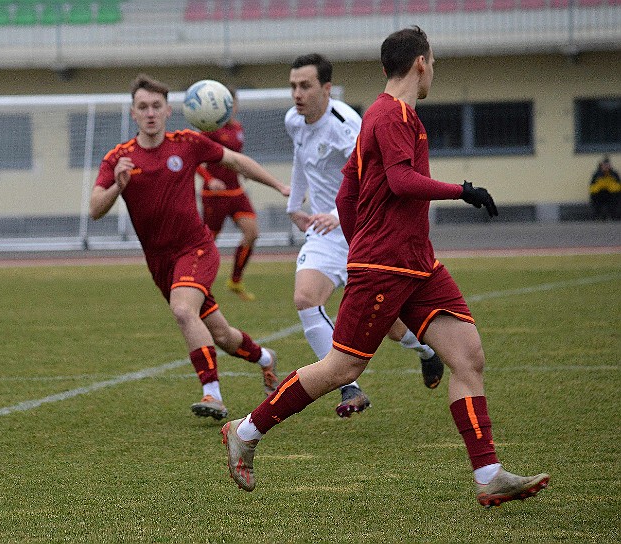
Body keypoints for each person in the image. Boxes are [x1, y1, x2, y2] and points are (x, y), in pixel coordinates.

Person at [221, 28, 550, 508]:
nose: (432, 71)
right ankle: (245, 433)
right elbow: (400, 180)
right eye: (432, 63)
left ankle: (488, 473)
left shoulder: (378, 115)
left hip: (416, 263)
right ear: (421, 63)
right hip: (387, 265)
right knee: (342, 367)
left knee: (467, 356)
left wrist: (361, 245)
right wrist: (462, 192)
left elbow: (345, 195)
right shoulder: (392, 114)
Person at [90, 74, 291, 421]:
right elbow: (95, 209)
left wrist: (278, 186)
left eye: (156, 106)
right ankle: (265, 359)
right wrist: (117, 187)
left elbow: (236, 161)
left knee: (183, 310)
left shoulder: (187, 143)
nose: (150, 112)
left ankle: (212, 394)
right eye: (143, 107)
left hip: (196, 249)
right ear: (133, 113)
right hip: (160, 263)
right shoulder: (119, 159)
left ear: (169, 111)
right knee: (223, 335)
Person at [285, 53, 444, 419]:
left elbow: (371, 179)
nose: (297, 93)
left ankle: (425, 350)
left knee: (388, 323)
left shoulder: (347, 124)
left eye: (305, 85)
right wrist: (295, 205)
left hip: (360, 229)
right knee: (306, 298)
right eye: (293, 86)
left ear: (326, 89)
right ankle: (348, 386)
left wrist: (337, 215)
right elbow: (300, 160)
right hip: (325, 233)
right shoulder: (294, 120)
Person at [197, 88, 260, 301]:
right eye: (226, 104)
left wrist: (246, 171)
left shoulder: (238, 128)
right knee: (208, 242)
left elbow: (237, 158)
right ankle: (197, 283)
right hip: (214, 195)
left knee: (252, 233)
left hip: (236, 191)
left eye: (233, 103)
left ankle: (235, 281)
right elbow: (194, 159)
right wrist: (209, 179)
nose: (231, 108)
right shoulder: (210, 129)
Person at [589, 156, 621, 220]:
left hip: (611, 193)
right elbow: (592, 187)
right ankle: (598, 216)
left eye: (607, 165)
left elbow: (618, 186)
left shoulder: (614, 174)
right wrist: (600, 187)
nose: (606, 167)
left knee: (615, 198)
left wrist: (610, 187)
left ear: (610, 166)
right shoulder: (597, 174)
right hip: (599, 193)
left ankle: (613, 216)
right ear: (601, 166)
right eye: (604, 165)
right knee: (595, 199)